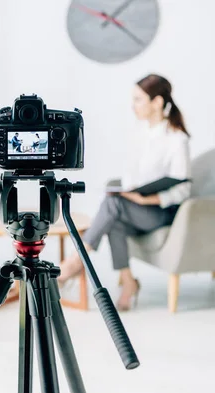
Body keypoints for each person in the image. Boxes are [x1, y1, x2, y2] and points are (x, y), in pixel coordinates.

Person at [57, 73, 191, 311]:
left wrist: (147, 198)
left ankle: (73, 262)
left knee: (112, 207)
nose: (133, 105)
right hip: (135, 206)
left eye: (138, 99)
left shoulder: (176, 139)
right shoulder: (139, 133)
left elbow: (183, 188)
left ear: (157, 102)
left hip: (162, 211)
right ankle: (128, 282)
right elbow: (132, 176)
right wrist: (128, 192)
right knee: (114, 218)